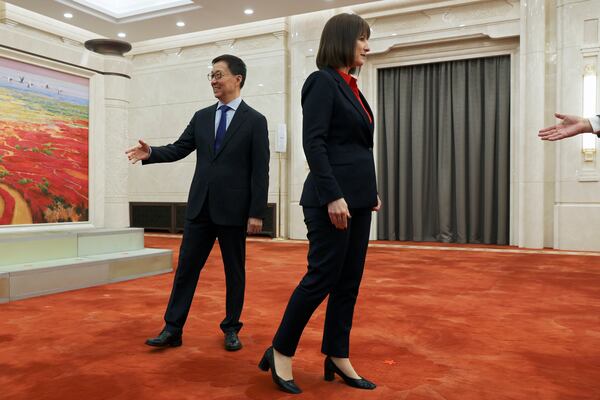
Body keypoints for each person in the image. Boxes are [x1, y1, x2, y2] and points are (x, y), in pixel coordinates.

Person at [258, 13, 381, 394]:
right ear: (344, 40)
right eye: (362, 38)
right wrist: (334, 195)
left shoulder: (352, 87)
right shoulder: (321, 82)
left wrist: (368, 191)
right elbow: (315, 143)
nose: (367, 46)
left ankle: (337, 355)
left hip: (357, 200)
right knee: (321, 278)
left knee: (349, 281)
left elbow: (357, 147)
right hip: (331, 199)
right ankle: (280, 350)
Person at [125, 54, 269, 352]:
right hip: (200, 208)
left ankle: (231, 328)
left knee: (234, 272)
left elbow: (260, 170)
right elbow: (179, 148)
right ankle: (172, 329)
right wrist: (151, 152)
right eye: (211, 76)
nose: (214, 81)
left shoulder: (255, 121)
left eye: (219, 75)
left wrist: (256, 212)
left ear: (237, 78)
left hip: (233, 211)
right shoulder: (202, 116)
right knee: (186, 270)